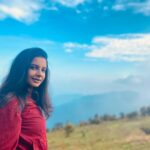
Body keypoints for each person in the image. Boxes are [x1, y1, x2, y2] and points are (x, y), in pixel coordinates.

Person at [0, 47, 52, 150]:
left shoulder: (32, 99)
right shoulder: (13, 103)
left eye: (43, 70)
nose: (39, 74)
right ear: (21, 69)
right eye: (33, 67)